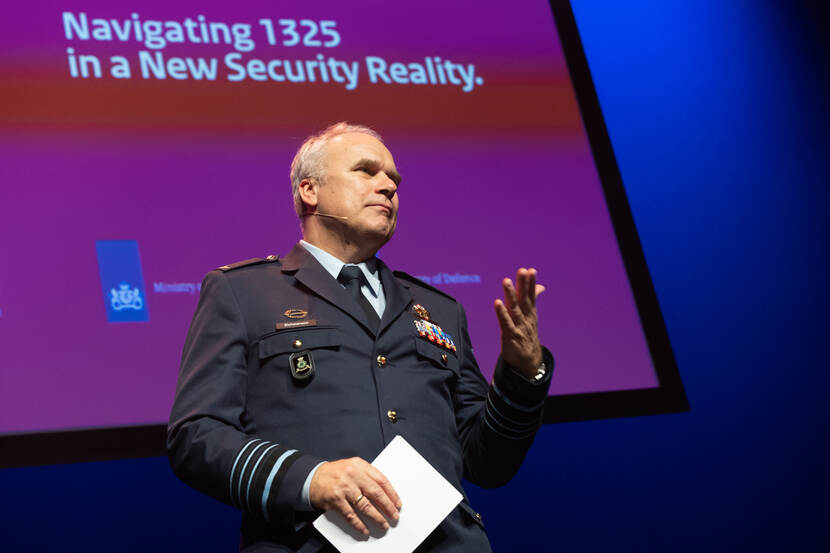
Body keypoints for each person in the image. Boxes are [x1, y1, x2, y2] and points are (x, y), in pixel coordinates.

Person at [167, 122, 554, 552]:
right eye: (366, 171)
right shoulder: (242, 292)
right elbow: (196, 436)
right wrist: (311, 479)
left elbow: (488, 464)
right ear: (310, 190)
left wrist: (522, 374)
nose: (388, 186)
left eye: (393, 179)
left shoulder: (440, 308)